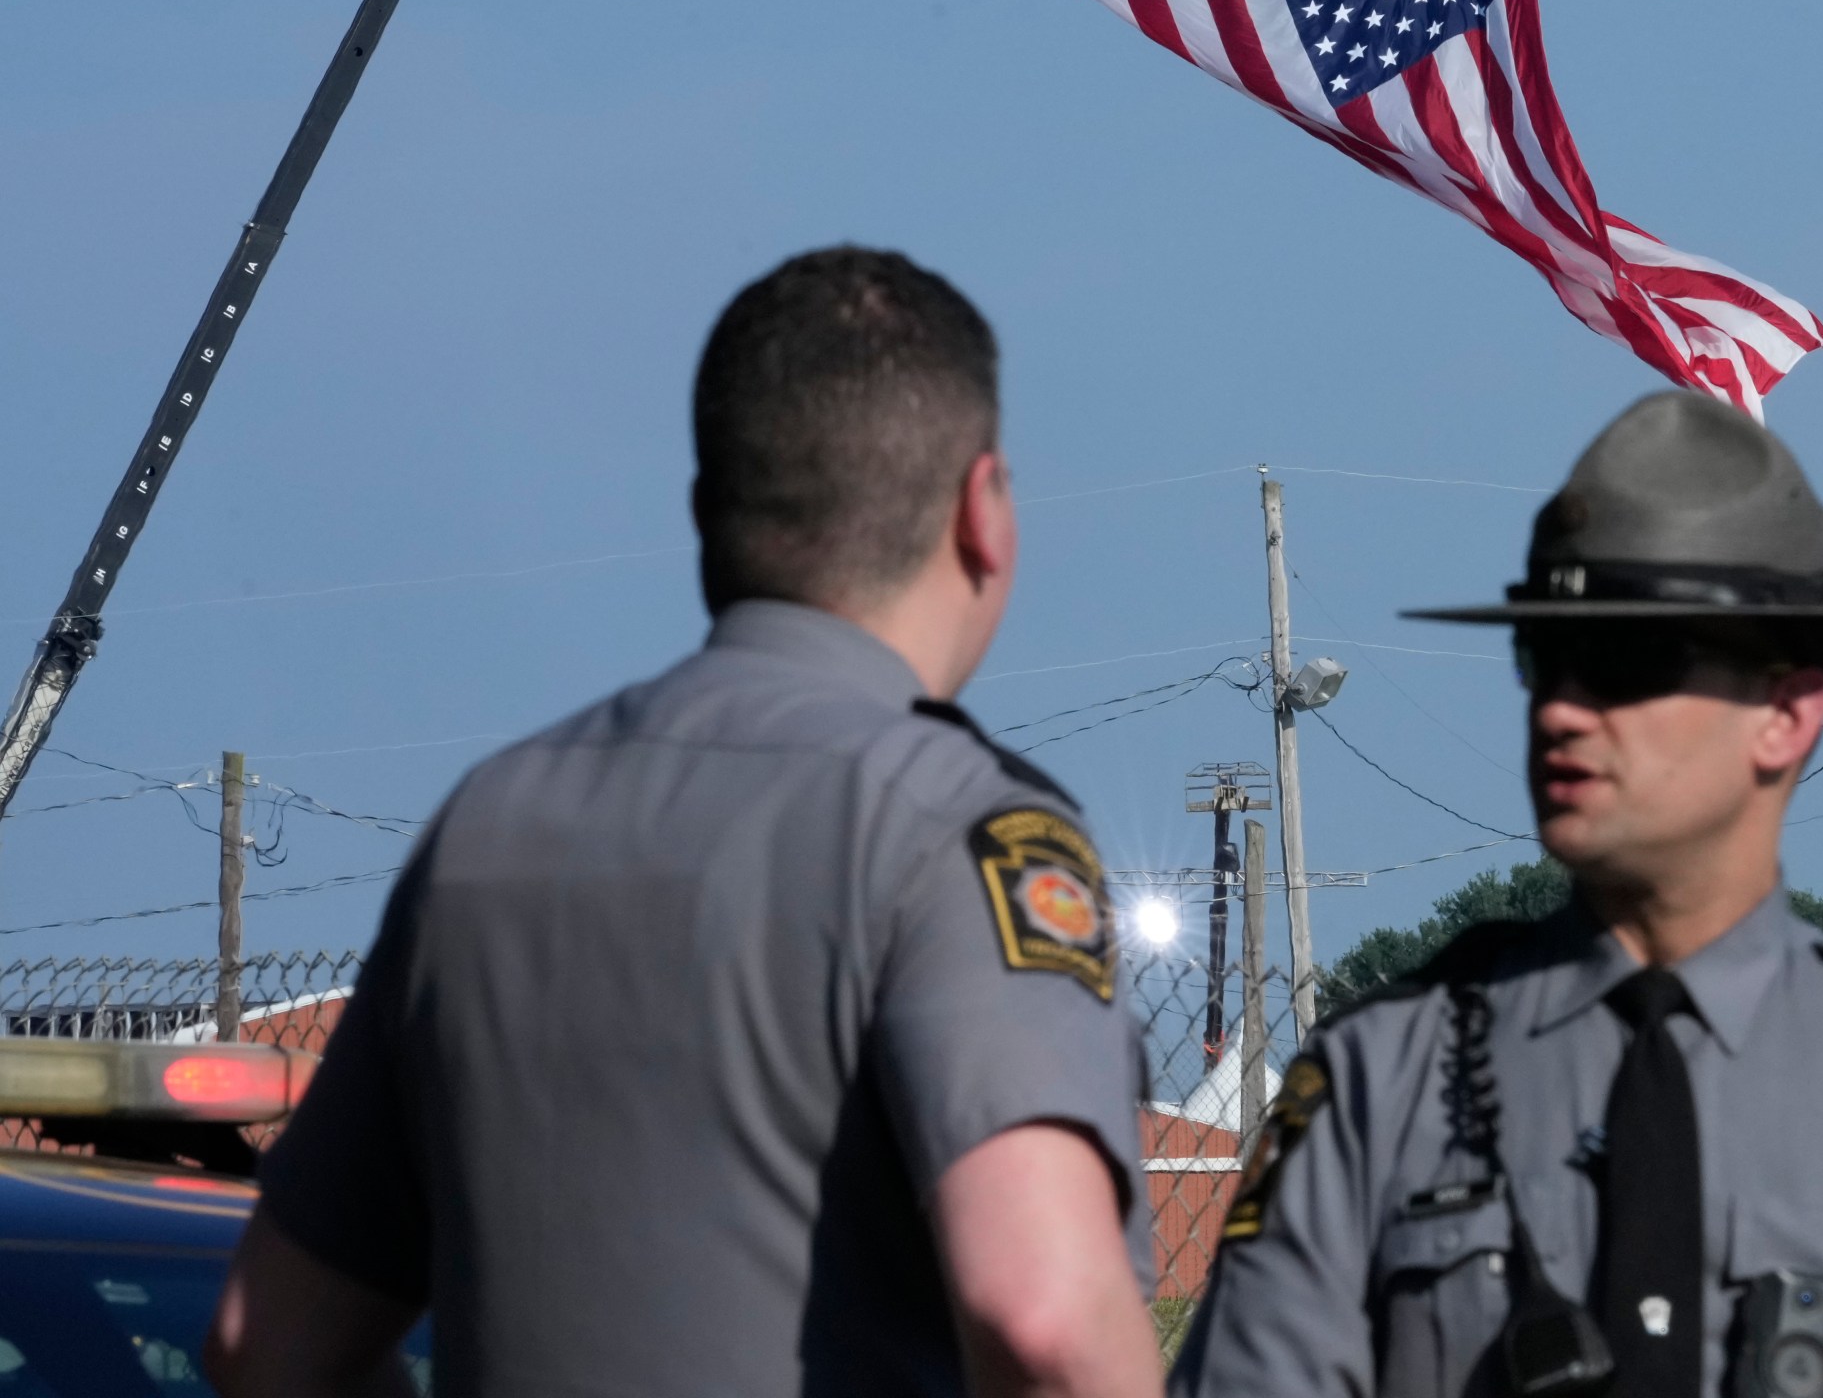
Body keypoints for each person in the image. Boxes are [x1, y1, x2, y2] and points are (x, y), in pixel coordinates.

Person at [206, 247, 1165, 1398]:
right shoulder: (955, 831)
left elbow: (263, 1342)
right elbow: (1047, 1321)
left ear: (709, 512)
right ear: (982, 512)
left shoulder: (491, 827)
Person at [1169, 392, 1823, 1398]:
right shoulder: (1377, 1086)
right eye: (1543, 654)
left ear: (1785, 710)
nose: (1562, 709)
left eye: (1624, 661)